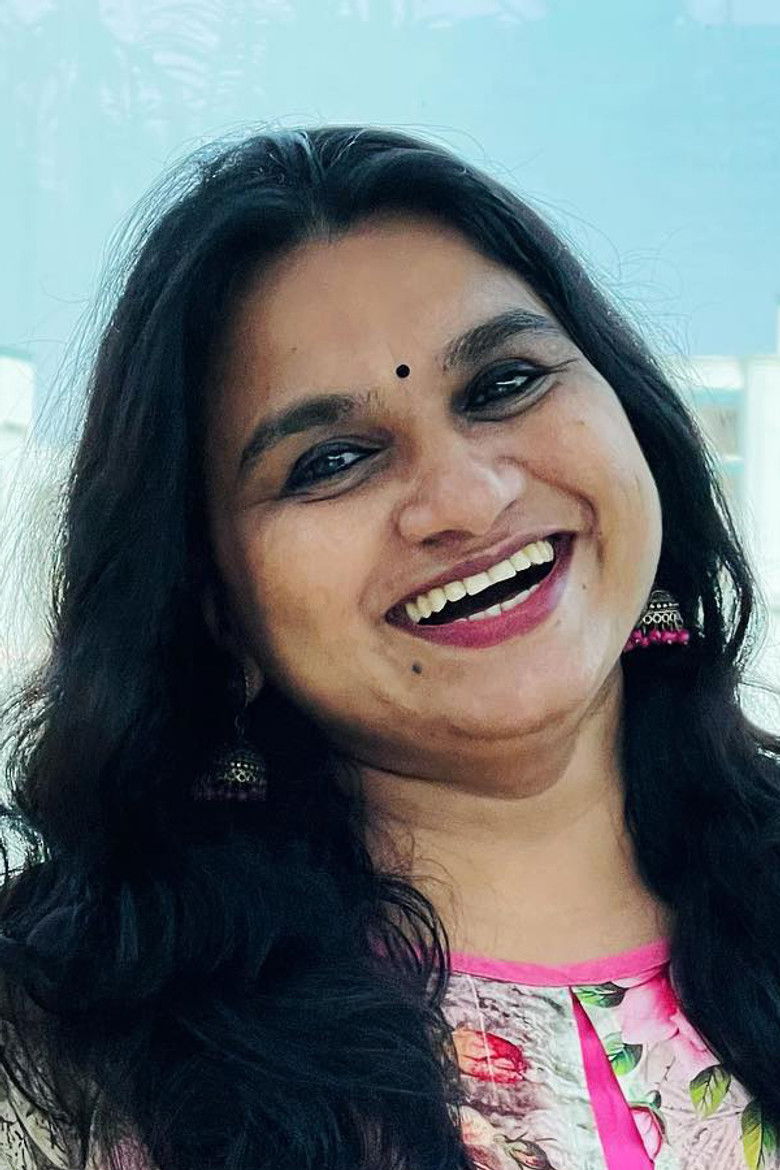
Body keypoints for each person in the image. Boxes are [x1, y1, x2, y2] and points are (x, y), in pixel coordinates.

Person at [0, 125, 778, 1170]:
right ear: (212, 603)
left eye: (504, 384)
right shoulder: (61, 1050)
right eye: (331, 460)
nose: (466, 499)